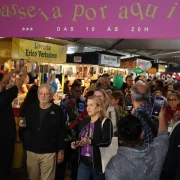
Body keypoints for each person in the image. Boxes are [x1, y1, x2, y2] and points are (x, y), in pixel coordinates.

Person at [19, 84, 65, 180]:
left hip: (49, 152)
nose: (43, 96)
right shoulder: (31, 108)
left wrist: (61, 150)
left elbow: (61, 131)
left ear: (51, 96)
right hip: (32, 151)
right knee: (33, 177)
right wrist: (23, 126)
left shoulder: (57, 110)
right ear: (38, 95)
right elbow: (25, 125)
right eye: (41, 94)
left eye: (46, 94)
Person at [105, 110, 168, 180]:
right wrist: (161, 116)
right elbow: (163, 136)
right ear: (142, 133)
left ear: (120, 137)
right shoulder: (157, 151)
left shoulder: (114, 165)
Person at [71, 95, 113, 180]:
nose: (88, 108)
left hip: (98, 163)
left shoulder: (106, 122)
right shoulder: (84, 121)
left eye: (91, 105)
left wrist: (91, 142)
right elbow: (81, 138)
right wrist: (77, 143)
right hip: (83, 161)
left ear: (99, 108)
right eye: (87, 105)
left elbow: (107, 141)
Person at [0, 66, 27, 179]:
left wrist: (14, 71)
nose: (5, 84)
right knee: (5, 162)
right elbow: (19, 83)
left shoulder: (3, 95)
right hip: (5, 136)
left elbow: (3, 80)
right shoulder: (5, 97)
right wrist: (24, 72)